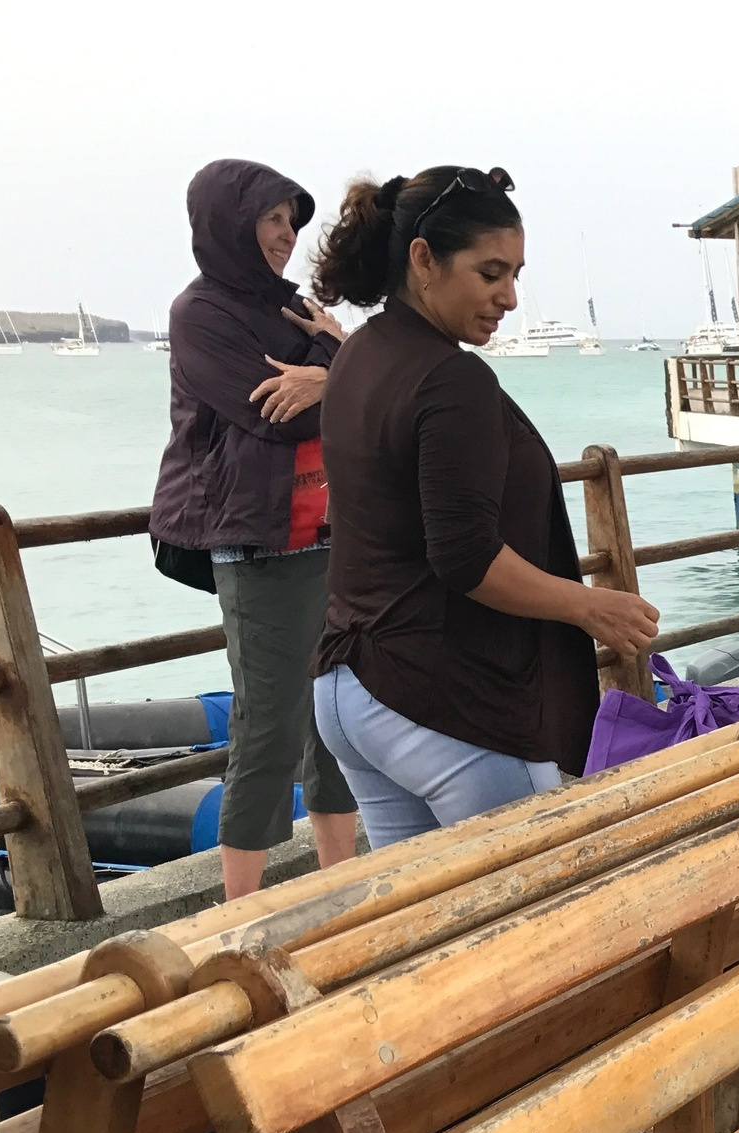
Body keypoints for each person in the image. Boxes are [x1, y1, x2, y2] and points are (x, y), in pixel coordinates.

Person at [306, 166, 659, 848]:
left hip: (350, 689)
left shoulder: (360, 353)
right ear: (423, 259)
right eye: (490, 273)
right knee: (543, 901)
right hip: (443, 703)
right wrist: (590, 607)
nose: (510, 297)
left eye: (516, 274)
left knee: (425, 910)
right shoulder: (452, 378)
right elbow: (466, 556)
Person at [149, 159, 360, 898]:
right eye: (271, 218)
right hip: (257, 540)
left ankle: (340, 888)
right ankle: (240, 912)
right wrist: (331, 358)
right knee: (268, 725)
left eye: (290, 220)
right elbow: (271, 414)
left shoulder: (291, 306)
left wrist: (329, 369)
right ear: (228, 223)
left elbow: (351, 396)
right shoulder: (199, 313)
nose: (286, 234)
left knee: (335, 714)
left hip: (329, 530)